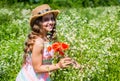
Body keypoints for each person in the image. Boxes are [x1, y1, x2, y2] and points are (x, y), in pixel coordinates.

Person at [16, 4, 74, 81]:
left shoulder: (48, 38)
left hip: (42, 76)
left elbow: (56, 55)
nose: (51, 22)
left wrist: (72, 61)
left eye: (52, 18)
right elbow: (37, 68)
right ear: (38, 23)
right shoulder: (38, 42)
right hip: (32, 78)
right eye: (46, 19)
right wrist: (58, 65)